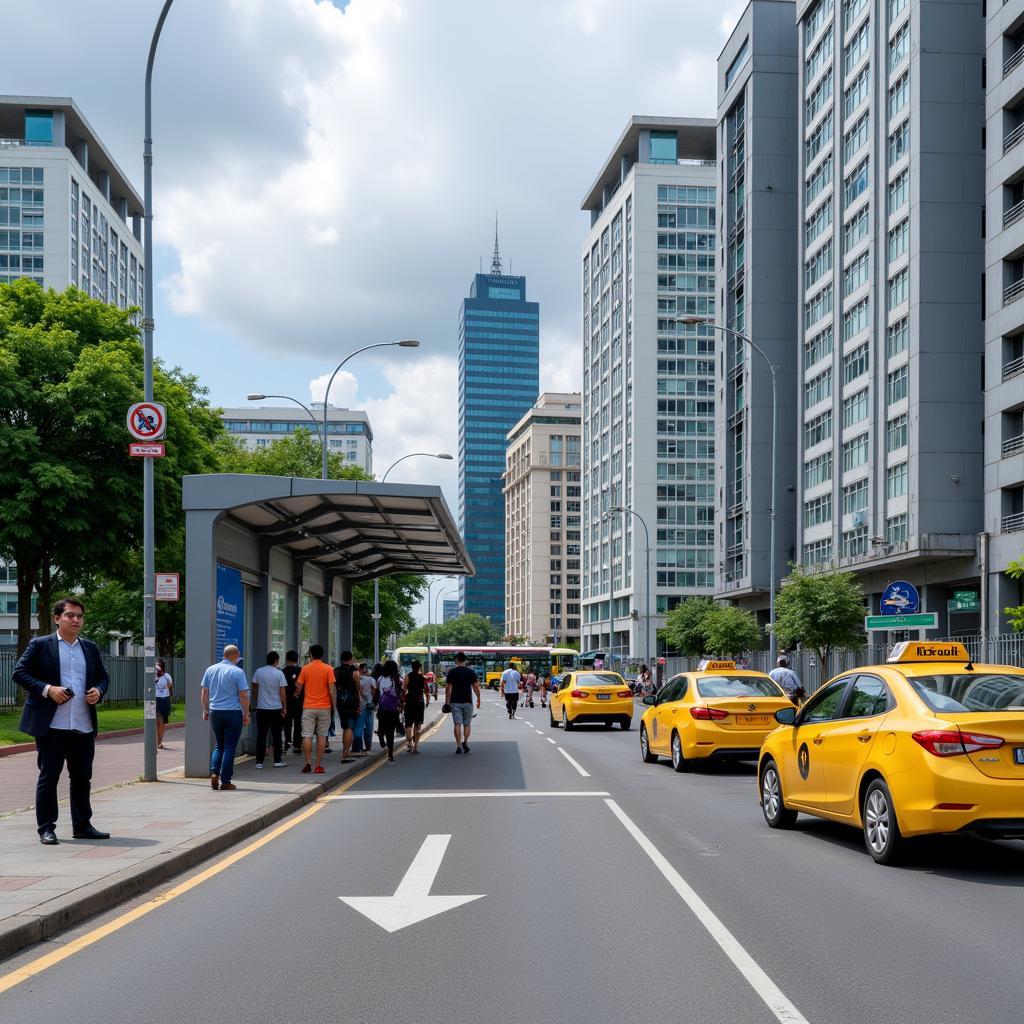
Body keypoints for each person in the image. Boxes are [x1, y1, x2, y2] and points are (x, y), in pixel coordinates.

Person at [13, 597, 111, 845]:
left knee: (82, 778)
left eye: (79, 616)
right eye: (70, 615)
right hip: (52, 725)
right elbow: (19, 673)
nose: (76, 620)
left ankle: (82, 825)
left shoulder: (89, 647)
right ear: (57, 618)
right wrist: (48, 689)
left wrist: (98, 691)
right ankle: (46, 828)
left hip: (82, 724)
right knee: (49, 777)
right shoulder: (40, 645)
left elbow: (103, 677)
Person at [200, 644, 250, 792]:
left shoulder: (210, 670)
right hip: (233, 712)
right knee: (229, 747)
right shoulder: (238, 672)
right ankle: (226, 780)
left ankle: (214, 773)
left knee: (219, 745)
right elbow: (243, 695)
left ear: (224, 655)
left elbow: (204, 692)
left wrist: (205, 710)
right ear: (236, 655)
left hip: (215, 711)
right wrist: (246, 714)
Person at [294, 644, 335, 775]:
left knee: (307, 735)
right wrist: (334, 705)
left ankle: (307, 763)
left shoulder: (305, 669)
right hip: (324, 707)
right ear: (322, 655)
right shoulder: (328, 669)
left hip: (308, 707)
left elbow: (298, 688)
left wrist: (295, 694)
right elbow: (332, 689)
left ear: (310, 654)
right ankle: (318, 765)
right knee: (322, 736)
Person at [252, 650, 287, 768]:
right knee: (277, 735)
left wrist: (258, 700)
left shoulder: (259, 672)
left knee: (261, 735)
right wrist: (284, 707)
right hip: (276, 708)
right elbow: (282, 692)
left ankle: (259, 762)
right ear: (276, 661)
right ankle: (277, 761)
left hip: (262, 709)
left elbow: (254, 688)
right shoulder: (279, 673)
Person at [445, 651, 481, 754]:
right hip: (468, 702)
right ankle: (465, 742)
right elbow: (476, 687)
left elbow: (448, 688)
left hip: (455, 702)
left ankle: (458, 746)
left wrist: (447, 702)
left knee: (457, 723)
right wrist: (478, 699)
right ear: (465, 660)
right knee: (467, 724)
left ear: (456, 660)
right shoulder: (471, 672)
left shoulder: (452, 672)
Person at [334, 650, 361, 764]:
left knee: (345, 726)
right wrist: (359, 703)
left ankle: (344, 751)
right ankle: (346, 752)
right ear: (351, 659)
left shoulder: (335, 671)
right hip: (351, 700)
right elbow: (357, 688)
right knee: (349, 727)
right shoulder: (355, 672)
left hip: (340, 700)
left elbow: (333, 687)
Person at [375, 660, 403, 763]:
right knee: (390, 732)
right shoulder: (397, 679)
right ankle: (390, 753)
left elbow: (377, 691)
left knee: (382, 726)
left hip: (382, 708)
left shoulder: (380, 679)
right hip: (393, 709)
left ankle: (381, 737)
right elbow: (401, 693)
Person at [402, 660, 430, 754]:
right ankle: (415, 747)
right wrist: (428, 700)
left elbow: (404, 689)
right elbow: (426, 690)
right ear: (419, 668)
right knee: (418, 725)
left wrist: (403, 701)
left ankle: (409, 743)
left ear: (412, 667)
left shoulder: (407, 677)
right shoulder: (422, 677)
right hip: (419, 702)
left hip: (409, 702)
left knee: (408, 725)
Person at [282, 650, 303, 755]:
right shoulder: (301, 671)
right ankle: (297, 745)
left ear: (286, 659)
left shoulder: (282, 671)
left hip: (286, 701)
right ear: (297, 659)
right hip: (299, 700)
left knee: (287, 723)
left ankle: (287, 743)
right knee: (298, 723)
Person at [352, 662, 374, 756]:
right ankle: (368, 747)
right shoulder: (371, 679)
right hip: (369, 705)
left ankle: (357, 747)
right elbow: (375, 690)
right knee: (369, 727)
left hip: (359, 705)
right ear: (365, 669)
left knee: (358, 727)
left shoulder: (355, 679)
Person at [154, 658, 174, 749]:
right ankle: (155, 741)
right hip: (155, 699)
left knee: (162, 722)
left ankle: (159, 742)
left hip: (164, 700)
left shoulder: (167, 676)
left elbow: (170, 687)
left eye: (159, 665)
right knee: (155, 721)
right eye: (156, 665)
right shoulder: (152, 675)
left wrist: (171, 701)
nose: (157, 667)